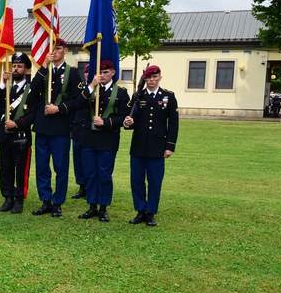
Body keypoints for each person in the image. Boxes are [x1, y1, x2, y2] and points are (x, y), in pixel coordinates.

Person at [30, 41, 85, 217]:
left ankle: (58, 202)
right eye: (52, 49)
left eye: (58, 48)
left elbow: (78, 100)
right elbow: (32, 90)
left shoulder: (72, 72)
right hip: (42, 125)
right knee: (42, 166)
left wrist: (59, 108)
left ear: (66, 51)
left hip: (60, 126)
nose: (55, 52)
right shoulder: (45, 70)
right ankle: (45, 200)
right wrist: (44, 65)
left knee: (60, 166)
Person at [123, 65, 179, 227]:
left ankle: (151, 212)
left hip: (158, 146)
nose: (151, 81)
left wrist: (170, 146)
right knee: (137, 180)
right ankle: (140, 210)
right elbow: (131, 120)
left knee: (155, 181)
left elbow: (173, 124)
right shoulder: (138, 96)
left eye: (154, 77)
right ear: (145, 79)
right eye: (148, 78)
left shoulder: (168, 96)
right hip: (139, 145)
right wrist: (128, 123)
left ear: (160, 77)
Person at [76, 61, 130, 222]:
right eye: (100, 72)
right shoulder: (91, 90)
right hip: (89, 138)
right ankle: (92, 205)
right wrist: (91, 85)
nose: (103, 75)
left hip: (107, 140)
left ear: (113, 73)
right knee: (90, 174)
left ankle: (104, 207)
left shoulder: (120, 93)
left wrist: (105, 122)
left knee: (104, 174)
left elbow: (123, 117)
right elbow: (78, 105)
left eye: (106, 72)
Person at [0, 52, 34, 214]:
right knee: (5, 167)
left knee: (21, 168)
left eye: (20, 66)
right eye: (14, 66)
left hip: (21, 136)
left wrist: (16, 124)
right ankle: (8, 197)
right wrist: (3, 83)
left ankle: (19, 200)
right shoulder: (7, 87)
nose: (16, 69)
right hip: (5, 136)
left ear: (26, 70)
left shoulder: (30, 90)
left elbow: (33, 114)